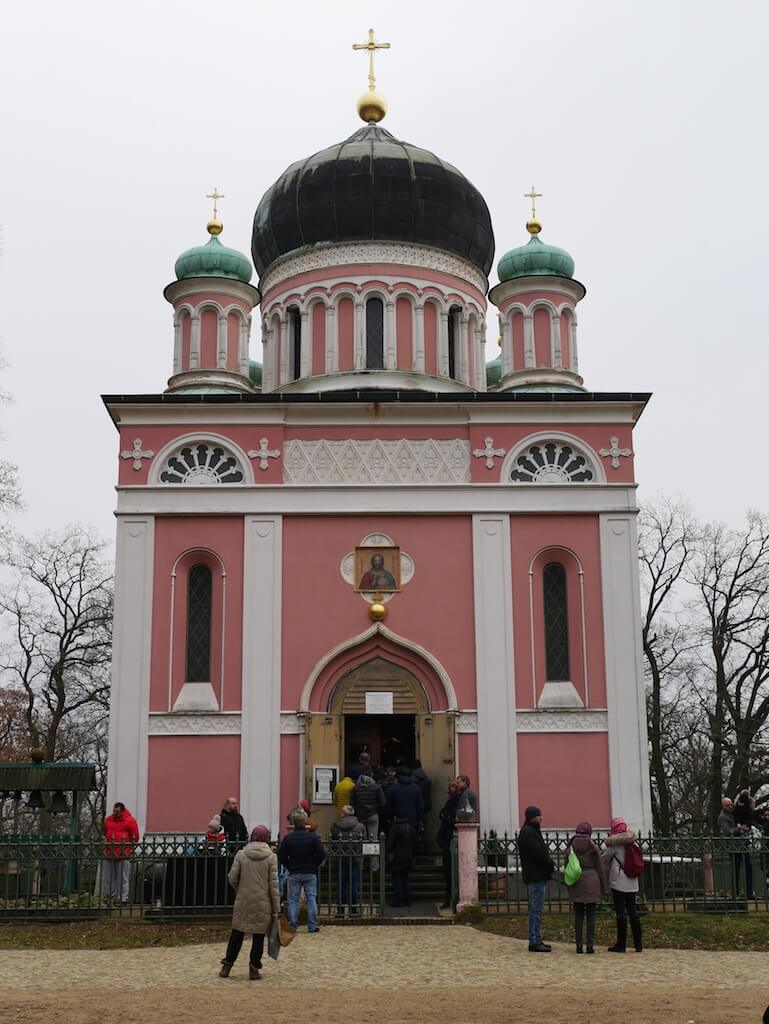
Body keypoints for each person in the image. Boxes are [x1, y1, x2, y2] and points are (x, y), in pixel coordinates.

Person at [219, 825, 280, 981]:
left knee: (237, 933)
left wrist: (240, 889)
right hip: (262, 901)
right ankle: (254, 969)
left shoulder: (241, 854)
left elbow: (232, 877)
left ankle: (227, 965)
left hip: (243, 899)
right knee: (258, 936)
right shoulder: (271, 857)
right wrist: (276, 908)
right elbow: (274, 885)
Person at [278, 810, 325, 933]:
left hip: (294, 871)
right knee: (311, 899)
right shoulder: (313, 837)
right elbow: (321, 854)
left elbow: (281, 855)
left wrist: (289, 865)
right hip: (310, 871)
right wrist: (314, 864)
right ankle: (312, 925)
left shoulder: (288, 838)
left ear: (293, 825)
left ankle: (293, 925)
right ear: (305, 824)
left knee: (293, 899)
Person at [565, 821, 607, 954]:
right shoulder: (593, 846)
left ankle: (578, 945)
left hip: (577, 881)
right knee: (591, 916)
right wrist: (604, 886)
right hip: (592, 880)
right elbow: (600, 867)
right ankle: (590, 945)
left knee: (578, 916)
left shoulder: (570, 847)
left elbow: (566, 865)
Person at [517, 805, 555, 952]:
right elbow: (539, 854)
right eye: (539, 815)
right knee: (536, 909)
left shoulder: (530, 831)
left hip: (536, 874)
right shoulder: (529, 833)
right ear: (532, 817)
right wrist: (550, 865)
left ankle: (537, 939)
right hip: (535, 875)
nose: (541, 818)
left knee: (536, 909)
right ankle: (534, 941)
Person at [603, 817, 643, 953]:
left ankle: (621, 944)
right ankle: (638, 944)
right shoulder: (632, 842)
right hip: (632, 882)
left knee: (621, 913)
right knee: (633, 912)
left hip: (618, 882)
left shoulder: (614, 845)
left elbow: (604, 859)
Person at [331, 804, 366, 915]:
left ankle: (340, 910)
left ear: (343, 814)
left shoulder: (335, 826)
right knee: (353, 885)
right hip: (355, 859)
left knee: (340, 885)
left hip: (340, 859)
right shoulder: (360, 827)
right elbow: (363, 842)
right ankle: (353, 909)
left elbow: (332, 842)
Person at [103, 801, 140, 904]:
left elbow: (135, 837)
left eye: (117, 812)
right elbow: (105, 832)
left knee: (123, 878)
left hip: (123, 853)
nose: (114, 813)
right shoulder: (108, 820)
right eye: (114, 811)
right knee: (109, 878)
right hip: (110, 852)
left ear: (122, 811)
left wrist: (128, 848)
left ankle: (122, 898)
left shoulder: (129, 821)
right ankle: (111, 897)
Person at [719, 795, 754, 899]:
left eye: (731, 804)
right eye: (728, 805)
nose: (730, 806)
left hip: (743, 845)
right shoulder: (722, 817)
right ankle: (735, 892)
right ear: (723, 806)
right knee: (736, 869)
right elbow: (727, 831)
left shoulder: (736, 813)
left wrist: (746, 826)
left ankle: (749, 893)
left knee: (748, 868)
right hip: (733, 846)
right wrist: (739, 829)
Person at [353, 770, 386, 869]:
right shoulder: (376, 787)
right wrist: (377, 810)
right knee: (373, 840)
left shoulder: (356, 788)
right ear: (371, 775)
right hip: (372, 815)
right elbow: (383, 803)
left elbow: (352, 803)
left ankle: (360, 865)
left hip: (360, 816)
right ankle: (374, 866)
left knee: (360, 840)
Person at [437, 780, 462, 908]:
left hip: (450, 840)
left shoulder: (457, 800)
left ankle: (450, 900)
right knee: (448, 874)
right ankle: (449, 900)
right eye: (450, 787)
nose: (451, 789)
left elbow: (450, 817)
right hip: (446, 840)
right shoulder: (451, 799)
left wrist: (445, 817)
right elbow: (441, 814)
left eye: (453, 787)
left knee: (450, 873)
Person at [388, 814, 418, 908]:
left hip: (397, 857)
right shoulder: (410, 828)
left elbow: (390, 844)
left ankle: (398, 900)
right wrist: (413, 856)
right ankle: (407, 900)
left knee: (397, 879)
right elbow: (414, 843)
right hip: (408, 857)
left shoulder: (394, 828)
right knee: (405, 878)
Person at [387, 765, 423, 831]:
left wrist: (390, 818)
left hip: (397, 820)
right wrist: (419, 820)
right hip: (412, 820)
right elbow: (420, 806)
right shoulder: (417, 788)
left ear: (399, 776)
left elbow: (389, 806)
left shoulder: (393, 788)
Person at [412, 759, 432, 851]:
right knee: (425, 827)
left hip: (415, 807)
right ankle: (427, 849)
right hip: (426, 806)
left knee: (414, 828)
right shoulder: (427, 779)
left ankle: (416, 850)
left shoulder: (413, 780)